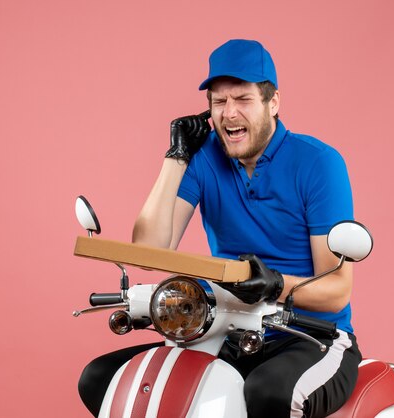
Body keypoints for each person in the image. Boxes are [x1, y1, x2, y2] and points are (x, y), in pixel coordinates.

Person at [79, 39, 361, 418]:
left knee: (267, 392)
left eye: (242, 99)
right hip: (229, 331)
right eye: (218, 101)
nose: (229, 114)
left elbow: (336, 292)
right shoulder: (204, 158)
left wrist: (276, 284)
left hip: (310, 335)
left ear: (272, 102)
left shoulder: (318, 163)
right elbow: (149, 248)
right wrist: (176, 156)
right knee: (103, 378)